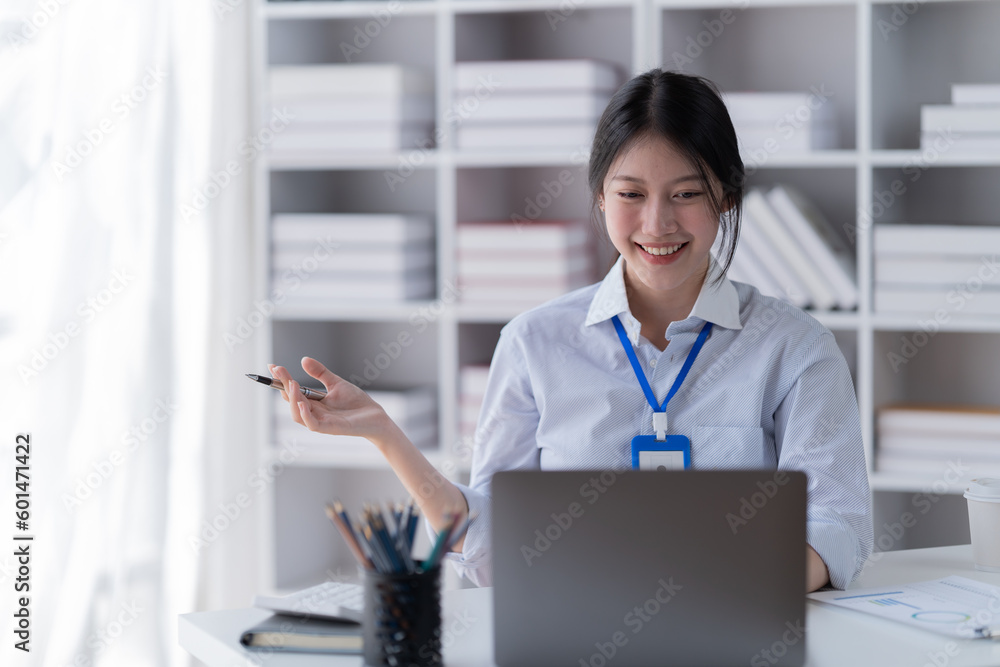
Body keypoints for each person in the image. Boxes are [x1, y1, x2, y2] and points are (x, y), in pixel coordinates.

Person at [269, 68, 873, 593]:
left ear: (727, 198)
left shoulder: (797, 349)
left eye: (686, 194)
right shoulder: (534, 343)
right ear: (599, 198)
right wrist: (385, 434)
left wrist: (713, 590)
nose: (656, 223)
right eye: (630, 194)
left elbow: (837, 525)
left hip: (740, 628)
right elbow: (490, 537)